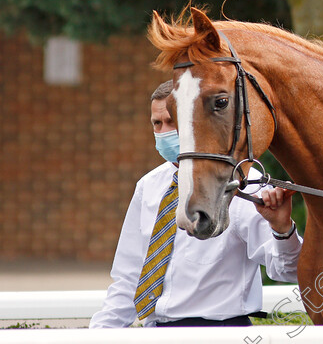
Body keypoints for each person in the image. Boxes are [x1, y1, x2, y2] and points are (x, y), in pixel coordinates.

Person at [90, 80, 302, 328]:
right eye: (157, 124)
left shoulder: (243, 180)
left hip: (217, 332)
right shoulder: (149, 185)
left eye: (172, 121)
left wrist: (282, 229)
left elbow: (287, 270)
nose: (164, 132)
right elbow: (128, 278)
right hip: (153, 331)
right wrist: (101, 334)